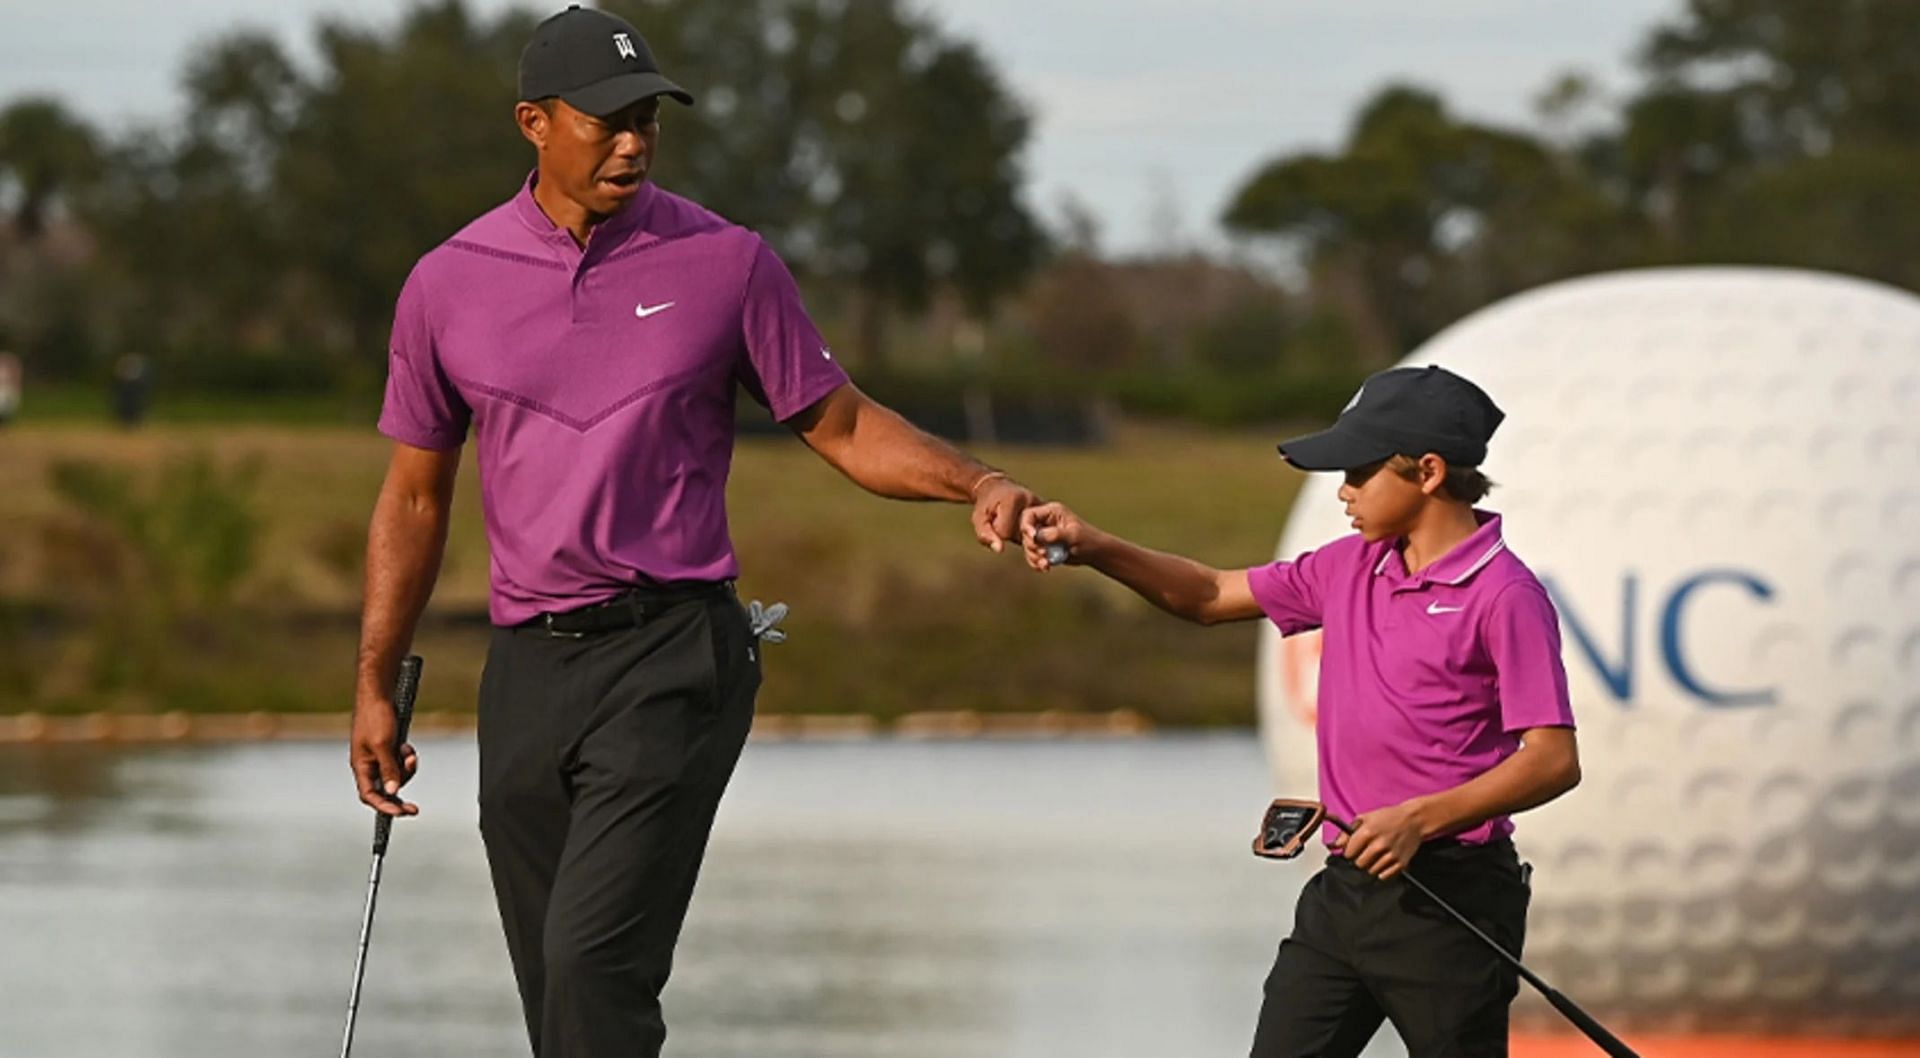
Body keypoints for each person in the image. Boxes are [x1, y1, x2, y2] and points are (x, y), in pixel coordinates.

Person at [347, 7, 1039, 1056]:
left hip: (673, 654)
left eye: (650, 121)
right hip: (525, 668)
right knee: (558, 995)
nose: (634, 141)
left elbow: (842, 423)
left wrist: (974, 479)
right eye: (609, 120)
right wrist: (374, 677)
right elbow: (412, 497)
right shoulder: (448, 282)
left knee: (593, 965)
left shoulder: (727, 262)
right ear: (534, 123)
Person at [1020, 365, 1581, 1058]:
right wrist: (1095, 545)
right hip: (1344, 894)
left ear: (1429, 472)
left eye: (1358, 471)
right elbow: (1208, 595)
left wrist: (1417, 819)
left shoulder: (1505, 595)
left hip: (1454, 900)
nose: (1342, 490)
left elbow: (1554, 759)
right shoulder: (1349, 565)